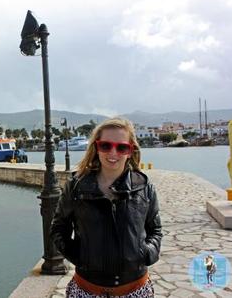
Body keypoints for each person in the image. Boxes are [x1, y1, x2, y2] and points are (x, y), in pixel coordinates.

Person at [50, 117, 162, 298]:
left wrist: (146, 253)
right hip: (86, 290)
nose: (113, 153)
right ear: (96, 147)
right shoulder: (76, 186)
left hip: (136, 290)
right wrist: (79, 256)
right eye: (106, 145)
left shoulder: (145, 187)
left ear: (130, 150)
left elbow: (155, 229)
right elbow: (58, 228)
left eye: (122, 147)